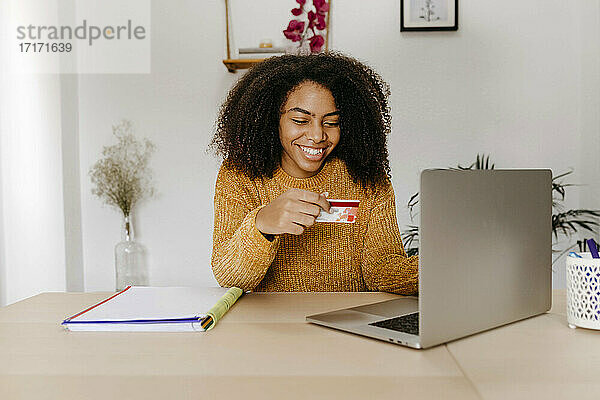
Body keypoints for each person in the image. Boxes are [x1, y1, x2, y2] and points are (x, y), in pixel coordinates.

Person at [209, 52, 418, 295]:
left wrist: (442, 269)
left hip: (348, 323)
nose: (318, 136)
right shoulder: (240, 175)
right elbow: (231, 279)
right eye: (300, 120)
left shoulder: (366, 176)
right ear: (271, 118)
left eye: (331, 123)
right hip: (272, 326)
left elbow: (383, 272)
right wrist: (262, 224)